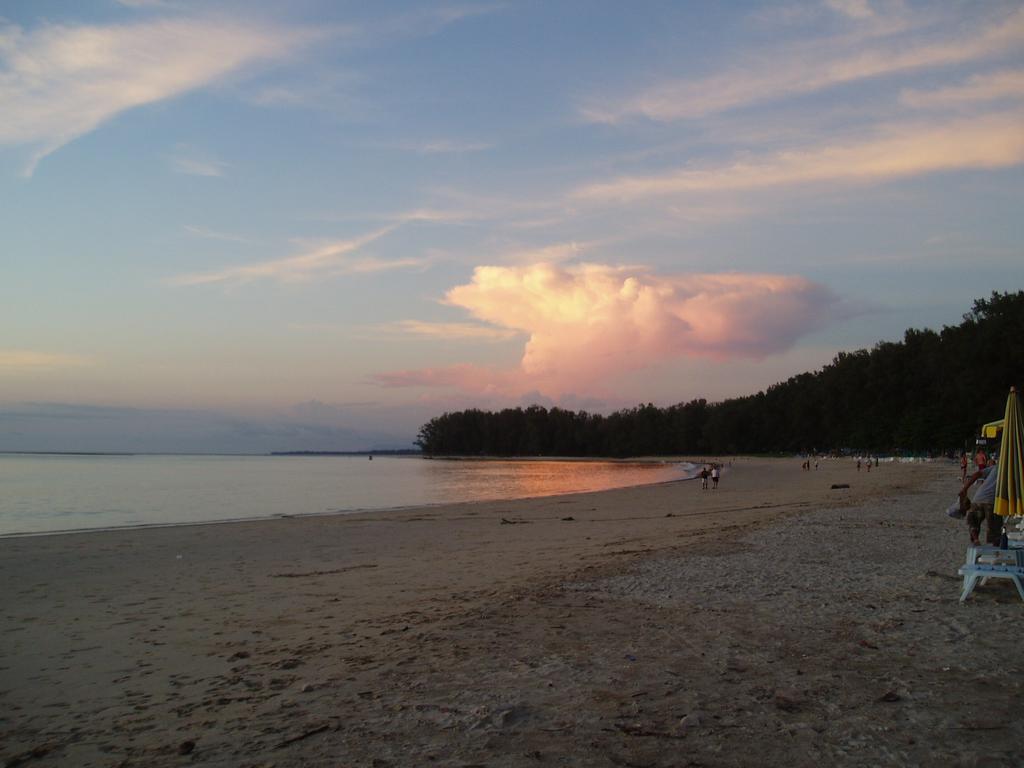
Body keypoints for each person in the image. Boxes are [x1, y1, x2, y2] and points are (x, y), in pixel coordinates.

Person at [959, 460, 1003, 545]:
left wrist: (965, 488)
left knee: (973, 521)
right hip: (993, 501)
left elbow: (977, 474)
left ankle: (976, 540)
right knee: (994, 530)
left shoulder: (996, 467)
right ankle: (991, 549)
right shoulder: (1014, 471)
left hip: (978, 498)